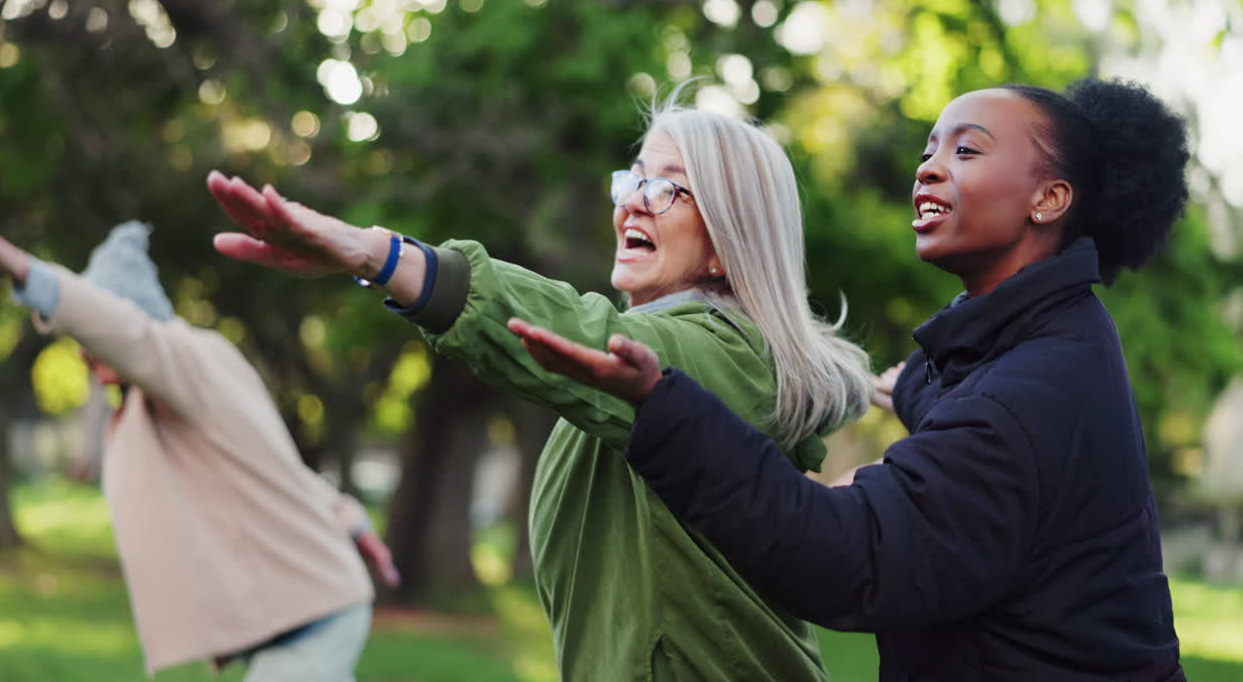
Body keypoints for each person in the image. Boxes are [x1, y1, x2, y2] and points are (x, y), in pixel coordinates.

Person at [508, 78, 1190, 681]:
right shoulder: (1048, 340)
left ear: (1049, 198)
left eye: (966, 150)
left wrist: (664, 405)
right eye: (929, 149)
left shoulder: (1031, 393)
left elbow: (849, 558)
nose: (927, 169)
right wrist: (919, 394)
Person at [204, 100, 874, 680]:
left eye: (669, 188)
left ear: (728, 244)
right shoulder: (648, 368)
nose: (634, 200)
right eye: (633, 178)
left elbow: (580, 331)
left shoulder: (727, 357)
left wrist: (382, 257)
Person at [0, 218, 400, 681]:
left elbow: (127, 334)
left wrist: (25, 271)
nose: (84, 352)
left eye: (93, 337)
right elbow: (274, 468)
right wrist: (349, 519)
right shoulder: (156, 398)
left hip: (315, 610)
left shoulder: (191, 360)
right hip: (288, 608)